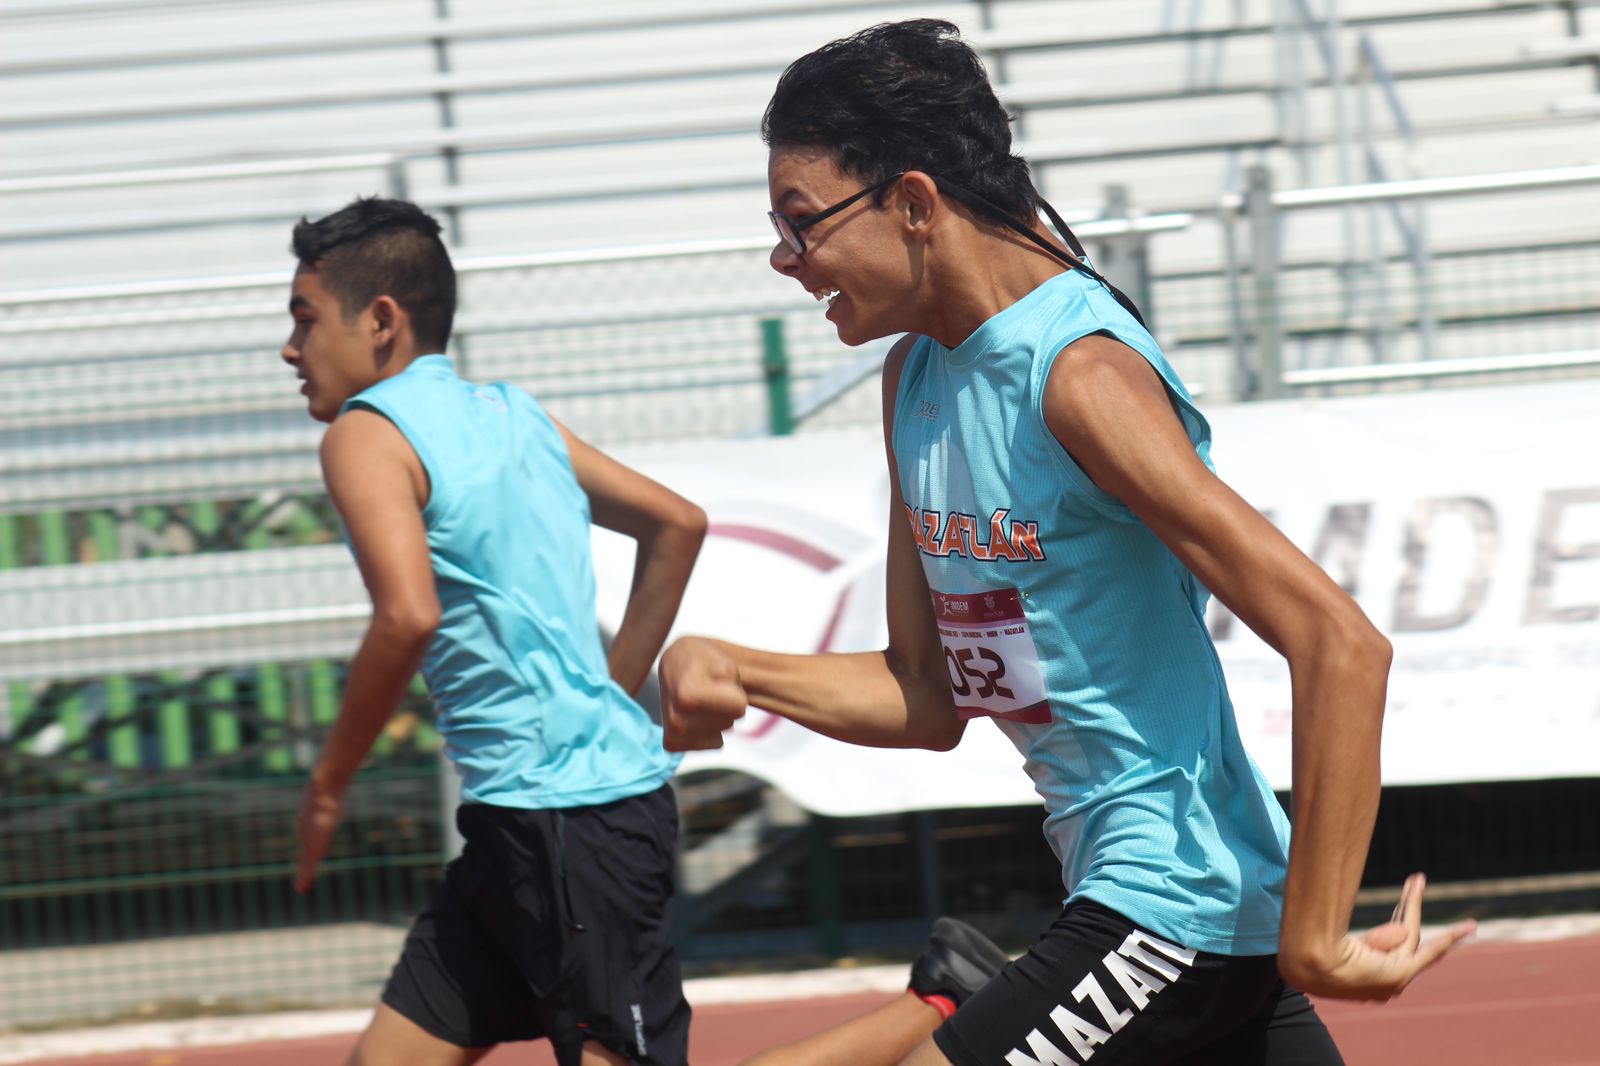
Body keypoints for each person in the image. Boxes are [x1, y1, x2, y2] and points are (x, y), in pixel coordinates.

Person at [658, 20, 1476, 1066]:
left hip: (1173, 905)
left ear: (912, 203)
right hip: (1148, 914)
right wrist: (738, 668)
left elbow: (1338, 641)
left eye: (801, 221)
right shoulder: (915, 380)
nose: (783, 258)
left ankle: (951, 1004)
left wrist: (1316, 934)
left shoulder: (1079, 378)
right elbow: (929, 697)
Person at [282, 196, 709, 1066]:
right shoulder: (514, 413)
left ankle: (940, 1003)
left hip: (570, 829)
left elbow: (407, 616)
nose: (290, 349)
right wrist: (611, 693)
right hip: (521, 831)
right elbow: (678, 525)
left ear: (381, 321)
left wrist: (328, 786)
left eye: (304, 320)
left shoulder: (366, 434)